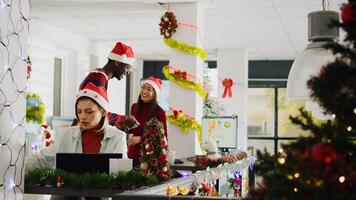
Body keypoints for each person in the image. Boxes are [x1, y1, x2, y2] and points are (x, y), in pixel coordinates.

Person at [26, 82, 128, 172]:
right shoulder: (66, 135)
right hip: (67, 193)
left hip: (102, 193)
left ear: (103, 112)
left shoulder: (118, 138)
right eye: (79, 112)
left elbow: (121, 173)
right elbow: (43, 159)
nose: (83, 116)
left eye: (89, 112)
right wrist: (16, 167)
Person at [73, 41, 139, 131]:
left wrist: (115, 122)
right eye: (127, 67)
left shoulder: (99, 75)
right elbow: (94, 110)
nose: (127, 72)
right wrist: (123, 118)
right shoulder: (98, 77)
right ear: (117, 62)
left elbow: (97, 110)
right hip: (81, 130)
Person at [127, 76, 167, 167]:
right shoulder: (134, 107)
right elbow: (133, 130)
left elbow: (162, 138)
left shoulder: (159, 112)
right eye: (143, 87)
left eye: (149, 89)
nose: (145, 91)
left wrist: (140, 139)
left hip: (150, 157)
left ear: (154, 94)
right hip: (133, 154)